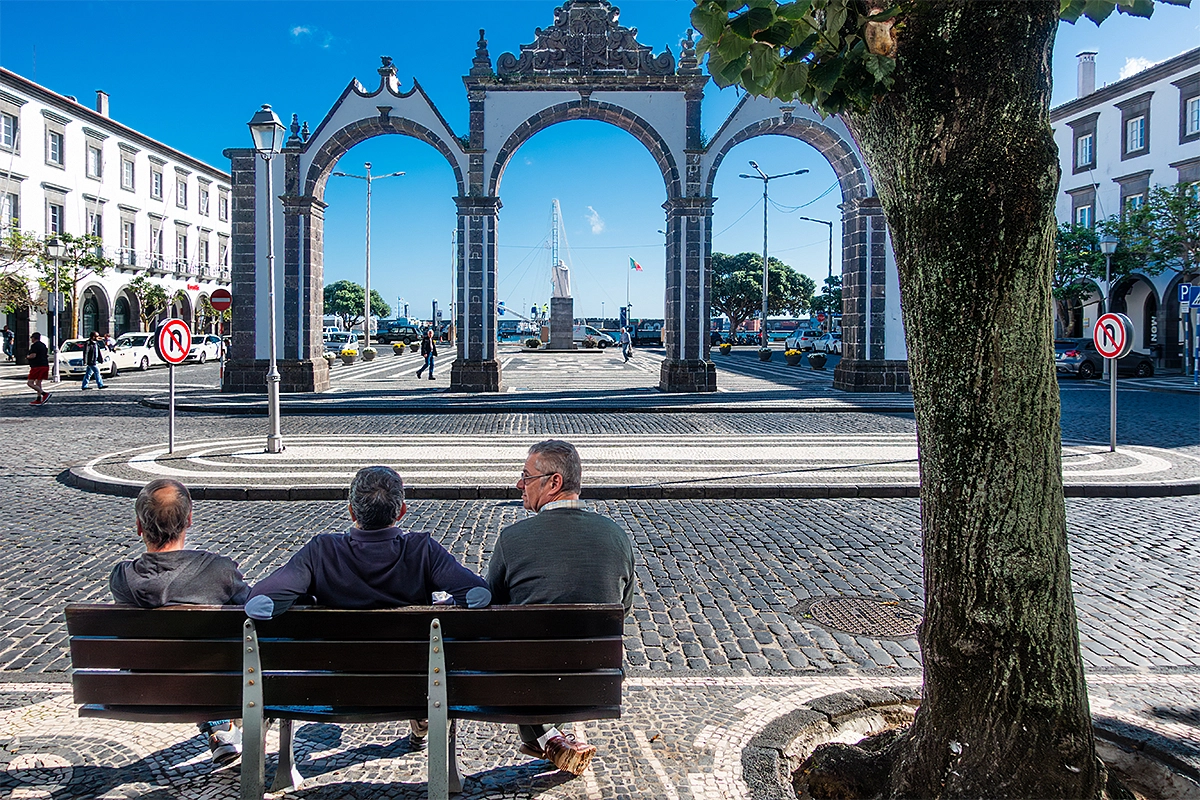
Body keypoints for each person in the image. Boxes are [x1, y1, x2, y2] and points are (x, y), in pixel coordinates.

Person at [246, 465, 491, 750]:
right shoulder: (422, 549)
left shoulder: (321, 552)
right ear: (401, 512)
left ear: (351, 511)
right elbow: (478, 595)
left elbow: (260, 603)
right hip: (414, 685)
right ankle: (422, 721)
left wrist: (305, 599)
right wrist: (444, 605)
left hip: (330, 685)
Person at [486, 440, 636, 777]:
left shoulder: (512, 539)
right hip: (597, 680)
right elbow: (623, 607)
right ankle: (555, 736)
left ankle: (546, 736)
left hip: (529, 684)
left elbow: (490, 607)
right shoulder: (617, 536)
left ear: (553, 482)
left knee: (515, 656)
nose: (518, 485)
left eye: (526, 477)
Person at [109, 478, 251, 767]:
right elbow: (253, 610)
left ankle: (221, 728)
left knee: (185, 659)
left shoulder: (122, 579)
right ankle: (222, 727)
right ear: (189, 519)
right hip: (216, 687)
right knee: (212, 658)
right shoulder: (221, 571)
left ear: (139, 526)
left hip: (143, 689)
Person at [26, 332, 50, 406]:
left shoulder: (34, 346)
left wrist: (27, 357)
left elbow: (33, 355)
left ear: (33, 338)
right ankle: (38, 399)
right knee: (38, 383)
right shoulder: (43, 345)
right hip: (44, 365)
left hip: (37, 366)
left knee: (30, 383)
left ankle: (44, 394)